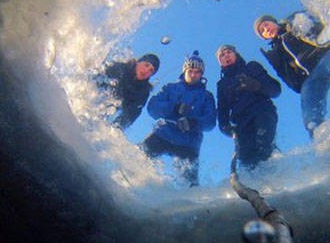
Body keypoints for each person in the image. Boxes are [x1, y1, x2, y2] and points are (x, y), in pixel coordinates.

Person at [253, 11, 330, 138]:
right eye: (262, 31)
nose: (266, 29)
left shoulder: (292, 24)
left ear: (274, 22)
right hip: (311, 76)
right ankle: (319, 136)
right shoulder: (276, 51)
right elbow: (285, 75)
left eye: (266, 25)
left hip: (325, 57)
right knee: (310, 109)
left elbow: (316, 23)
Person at [140, 51, 216, 186]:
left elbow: (210, 122)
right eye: (190, 70)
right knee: (137, 158)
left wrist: (193, 123)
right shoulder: (171, 88)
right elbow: (152, 107)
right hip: (163, 134)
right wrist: (174, 108)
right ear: (185, 70)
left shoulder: (207, 96)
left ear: (202, 74)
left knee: (190, 183)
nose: (193, 74)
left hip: (188, 144)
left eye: (197, 72)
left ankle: (194, 198)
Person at [216, 44, 281, 169]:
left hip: (262, 112)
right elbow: (222, 109)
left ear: (236, 54)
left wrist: (256, 85)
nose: (226, 56)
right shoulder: (222, 84)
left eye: (228, 52)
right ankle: (253, 183)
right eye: (222, 56)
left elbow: (275, 90)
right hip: (241, 123)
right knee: (246, 158)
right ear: (221, 63)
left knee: (263, 145)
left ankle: (275, 174)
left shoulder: (252, 67)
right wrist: (225, 126)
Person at [99, 53, 160, 130]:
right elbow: (98, 76)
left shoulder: (143, 92)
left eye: (151, 71)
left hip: (103, 111)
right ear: (138, 62)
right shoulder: (120, 68)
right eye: (146, 65)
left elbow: (132, 114)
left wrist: (115, 128)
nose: (146, 71)